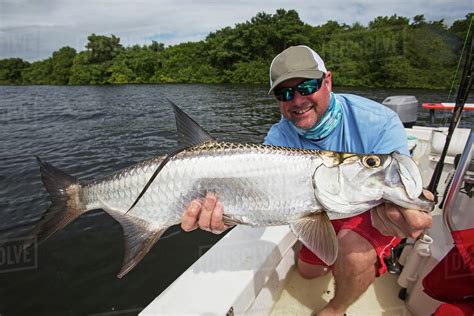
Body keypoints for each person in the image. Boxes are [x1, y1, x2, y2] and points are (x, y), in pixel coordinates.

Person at [180, 45, 433, 316]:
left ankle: (336, 308)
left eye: (307, 86)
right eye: (285, 93)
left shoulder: (379, 121)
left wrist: (417, 203)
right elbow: (262, 201)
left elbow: (405, 187)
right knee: (308, 272)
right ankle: (335, 260)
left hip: (371, 209)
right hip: (319, 210)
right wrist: (225, 218)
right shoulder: (278, 138)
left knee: (353, 250)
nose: (297, 100)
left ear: (328, 81)